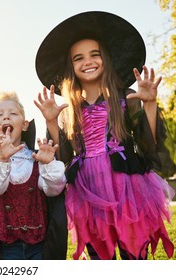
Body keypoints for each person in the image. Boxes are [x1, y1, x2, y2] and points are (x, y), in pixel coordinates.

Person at [34, 11, 176, 260]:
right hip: (87, 190)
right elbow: (63, 156)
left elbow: (149, 145)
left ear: (106, 58)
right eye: (78, 58)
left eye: (94, 54)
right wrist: (51, 121)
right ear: (71, 66)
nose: (87, 61)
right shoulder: (69, 108)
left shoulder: (125, 96)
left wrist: (150, 104)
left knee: (134, 254)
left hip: (127, 188)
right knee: (101, 257)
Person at [0, 91, 67, 260]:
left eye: (13, 113)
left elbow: (54, 191)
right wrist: (3, 159)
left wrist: (48, 164)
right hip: (8, 246)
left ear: (25, 125)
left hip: (40, 245)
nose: (6, 117)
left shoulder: (37, 158)